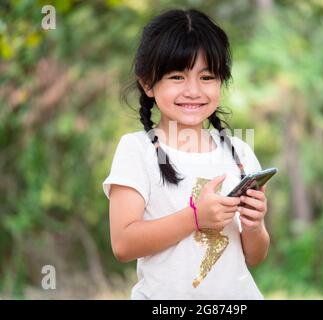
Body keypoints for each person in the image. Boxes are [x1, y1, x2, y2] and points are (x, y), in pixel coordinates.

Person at [102, 8, 270, 300]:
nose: (193, 90)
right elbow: (123, 244)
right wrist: (195, 218)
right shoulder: (137, 150)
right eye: (177, 77)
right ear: (147, 83)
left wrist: (255, 225)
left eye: (207, 77)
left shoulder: (239, 153)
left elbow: (255, 256)